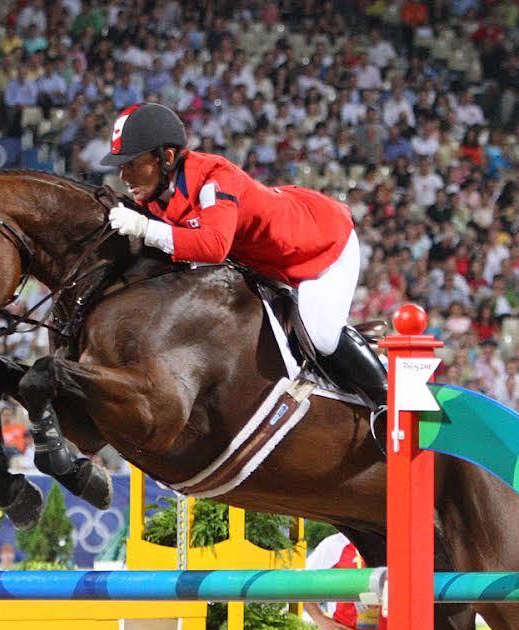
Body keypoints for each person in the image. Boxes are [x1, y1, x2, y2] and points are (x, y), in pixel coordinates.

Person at [99, 103, 387, 417]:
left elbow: (213, 247)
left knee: (322, 334)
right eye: (121, 166)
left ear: (166, 157)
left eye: (132, 164)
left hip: (322, 244)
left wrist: (145, 229)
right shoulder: (156, 199)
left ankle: (387, 403)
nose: (123, 175)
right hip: (271, 261)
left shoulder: (213, 179)